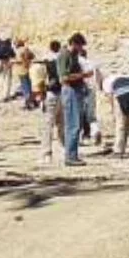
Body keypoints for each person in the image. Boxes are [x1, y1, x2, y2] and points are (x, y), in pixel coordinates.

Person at [55, 34, 91, 166]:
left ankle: (73, 154)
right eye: (80, 45)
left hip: (76, 91)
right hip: (70, 91)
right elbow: (63, 78)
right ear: (74, 43)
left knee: (76, 124)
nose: (81, 48)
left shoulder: (73, 56)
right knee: (73, 124)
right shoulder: (64, 55)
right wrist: (83, 75)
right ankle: (70, 156)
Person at [36, 40, 62, 160]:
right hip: (64, 94)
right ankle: (64, 150)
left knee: (47, 125)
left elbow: (40, 81)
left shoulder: (45, 61)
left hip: (51, 94)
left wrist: (41, 96)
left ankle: (47, 153)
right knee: (62, 124)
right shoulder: (63, 59)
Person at [0, 37, 16, 102]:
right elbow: (13, 55)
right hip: (6, 62)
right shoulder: (8, 45)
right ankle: (6, 95)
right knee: (7, 79)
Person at [16, 40, 37, 109]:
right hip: (28, 69)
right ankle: (33, 101)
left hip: (21, 70)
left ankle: (29, 103)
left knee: (25, 87)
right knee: (29, 85)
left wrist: (24, 62)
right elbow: (33, 56)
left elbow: (20, 58)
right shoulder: (27, 49)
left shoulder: (19, 50)